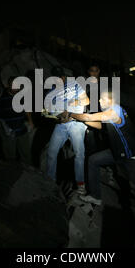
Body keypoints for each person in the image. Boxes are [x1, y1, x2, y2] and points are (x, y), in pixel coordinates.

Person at [69, 91, 135, 222]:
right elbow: (98, 124)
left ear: (111, 100)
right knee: (93, 160)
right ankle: (95, 196)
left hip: (132, 155)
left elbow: (89, 117)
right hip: (117, 152)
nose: (99, 102)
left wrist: (71, 114)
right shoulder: (109, 113)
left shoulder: (115, 111)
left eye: (102, 99)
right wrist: (77, 118)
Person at [45, 67, 90, 195]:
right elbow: (49, 110)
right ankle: (50, 182)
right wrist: (58, 116)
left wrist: (75, 101)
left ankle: (80, 184)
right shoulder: (51, 90)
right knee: (51, 153)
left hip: (76, 123)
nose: (60, 79)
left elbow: (86, 100)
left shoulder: (74, 85)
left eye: (62, 77)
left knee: (79, 154)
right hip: (61, 125)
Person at [0, 76, 34, 164]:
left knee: (26, 154)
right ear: (8, 85)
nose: (16, 88)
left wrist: (30, 121)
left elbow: (27, 110)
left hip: (22, 130)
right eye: (13, 85)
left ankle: (28, 173)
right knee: (10, 156)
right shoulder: (1, 97)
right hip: (8, 132)